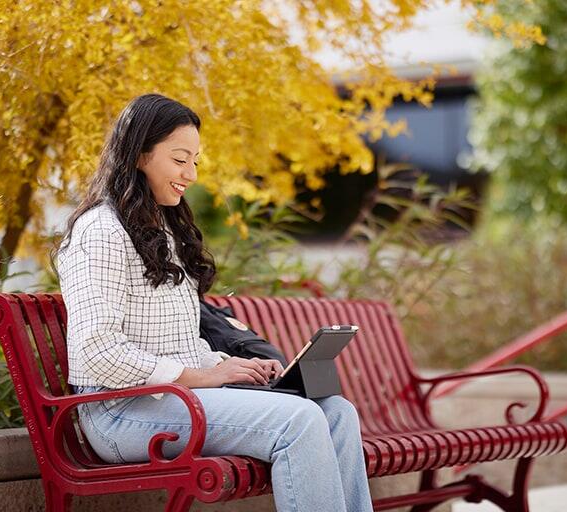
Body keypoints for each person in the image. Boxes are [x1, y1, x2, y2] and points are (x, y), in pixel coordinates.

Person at [53, 93, 374, 512]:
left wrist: (231, 366)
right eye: (179, 159)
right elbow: (97, 351)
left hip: (169, 400)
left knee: (336, 412)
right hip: (118, 411)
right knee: (299, 420)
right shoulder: (101, 231)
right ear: (139, 155)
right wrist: (203, 377)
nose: (191, 173)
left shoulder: (159, 231)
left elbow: (175, 344)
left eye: (195, 161)